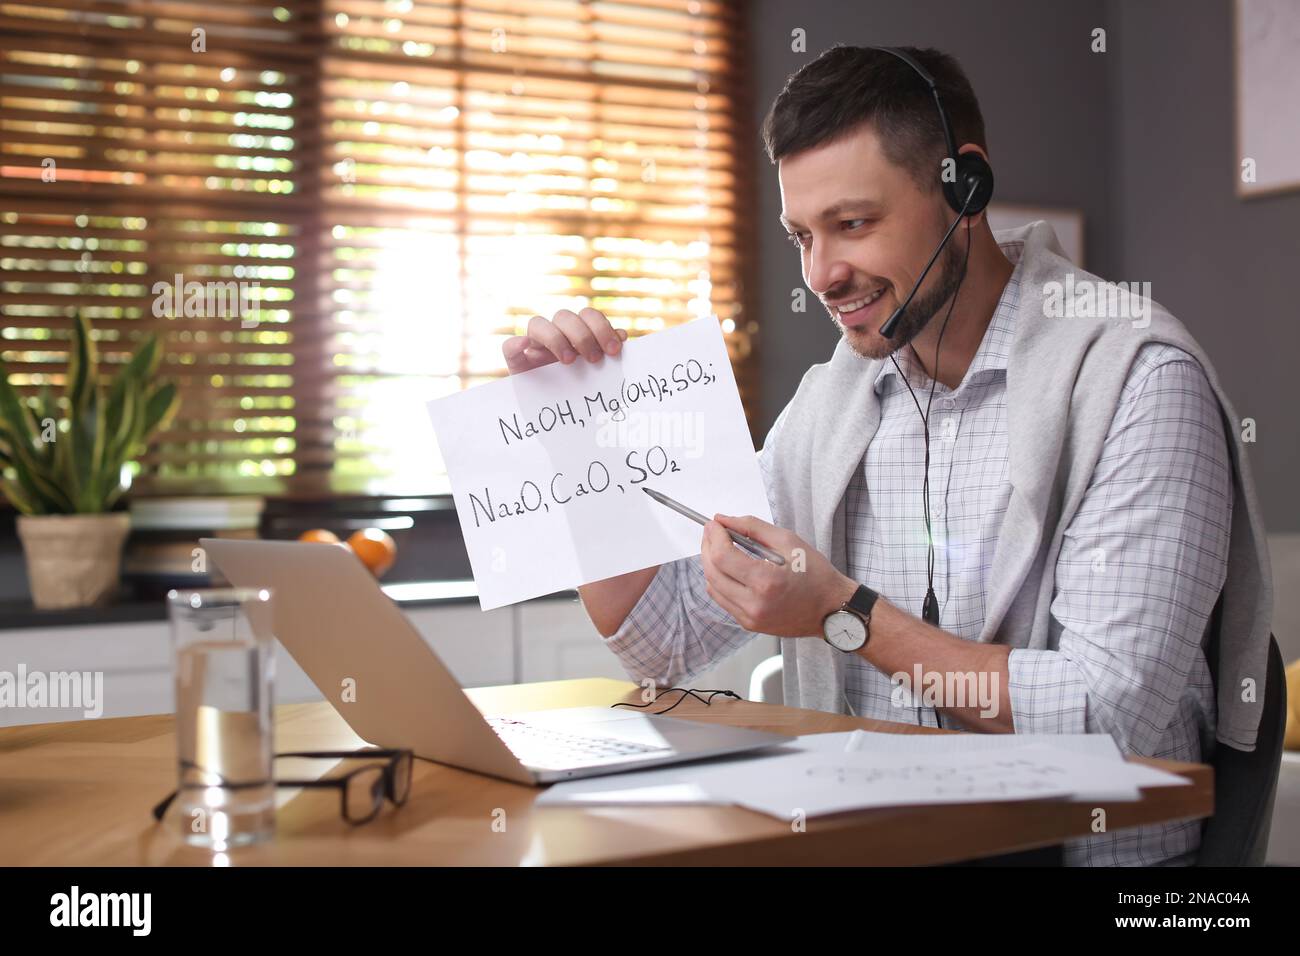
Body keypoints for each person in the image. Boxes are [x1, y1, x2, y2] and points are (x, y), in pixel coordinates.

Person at [500, 45, 1272, 866]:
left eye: (853, 224)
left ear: (963, 185)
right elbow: (666, 638)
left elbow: (1113, 718)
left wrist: (845, 614)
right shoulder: (828, 408)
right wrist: (581, 442)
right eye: (802, 234)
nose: (822, 273)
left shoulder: (1137, 382)